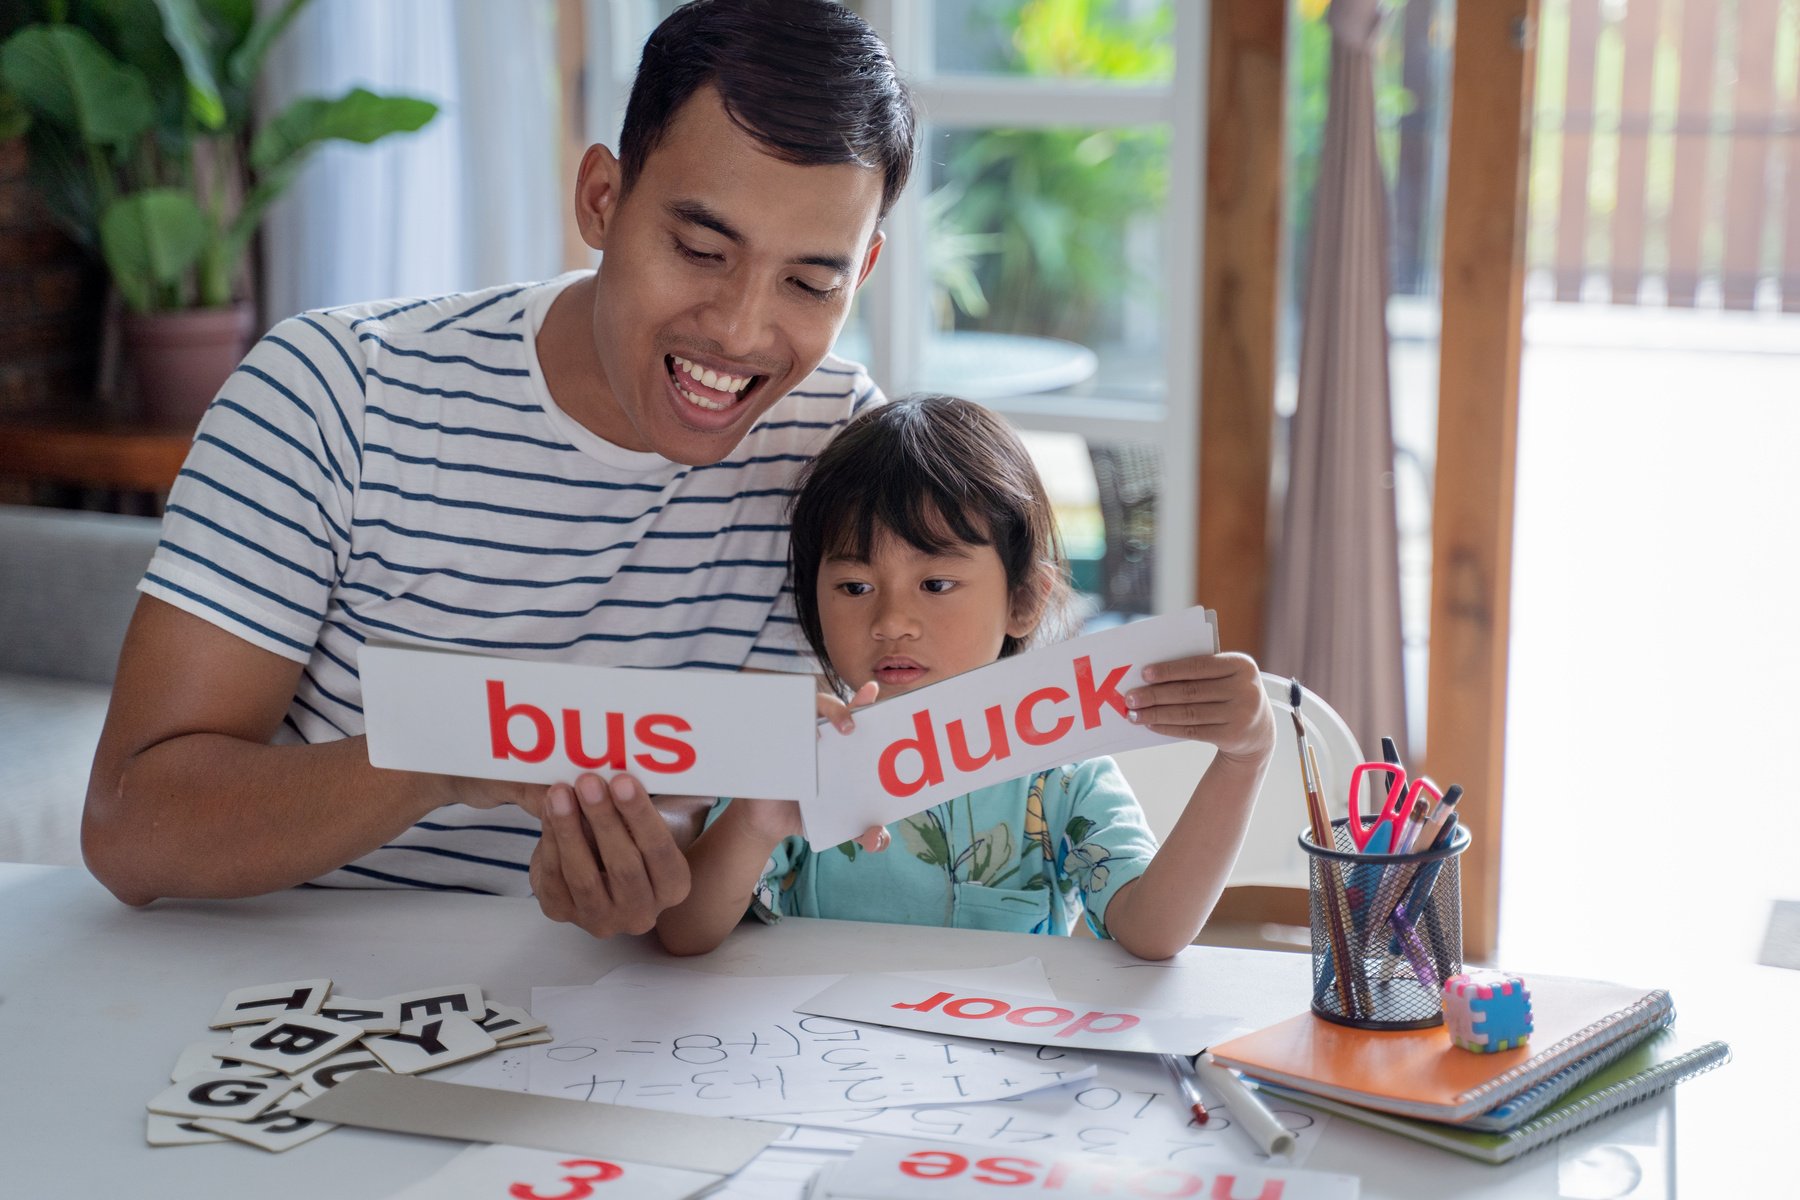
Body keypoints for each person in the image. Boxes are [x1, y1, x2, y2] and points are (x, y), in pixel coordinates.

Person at [80, 0, 915, 939]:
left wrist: (663, 858)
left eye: (809, 283)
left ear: (865, 271)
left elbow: (839, 786)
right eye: (699, 249)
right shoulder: (336, 391)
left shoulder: (839, 439)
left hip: (638, 1021)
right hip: (291, 996)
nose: (739, 330)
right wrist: (446, 751)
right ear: (601, 198)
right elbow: (127, 827)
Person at [656, 396, 1278, 961]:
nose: (891, 621)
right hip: (826, 1066)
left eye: (936, 584)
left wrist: (1243, 760)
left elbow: (1153, 931)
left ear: (1025, 600)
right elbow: (685, 933)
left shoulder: (1059, 768)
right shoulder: (804, 759)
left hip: (1003, 1069)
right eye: (854, 586)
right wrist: (755, 823)